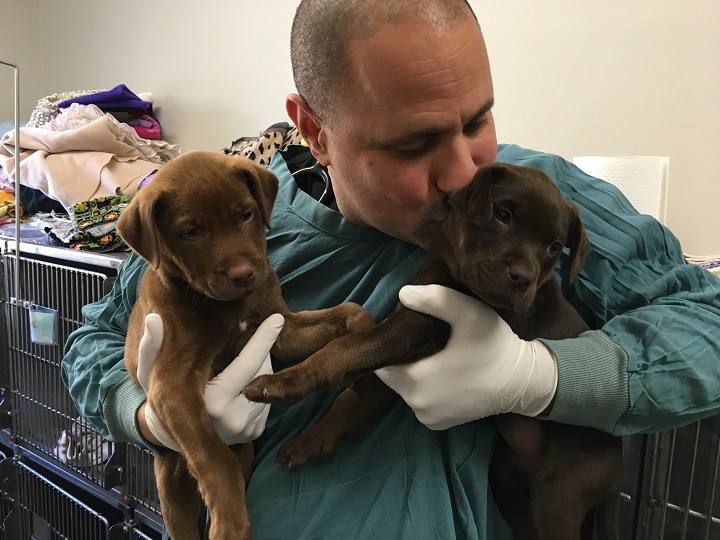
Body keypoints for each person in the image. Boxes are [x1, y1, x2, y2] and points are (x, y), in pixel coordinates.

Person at [62, 0, 720, 538]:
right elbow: (92, 341)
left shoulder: (532, 203)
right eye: (413, 143)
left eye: (478, 119)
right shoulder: (244, 221)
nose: (463, 173)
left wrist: (544, 378)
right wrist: (147, 414)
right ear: (313, 131)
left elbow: (707, 321)